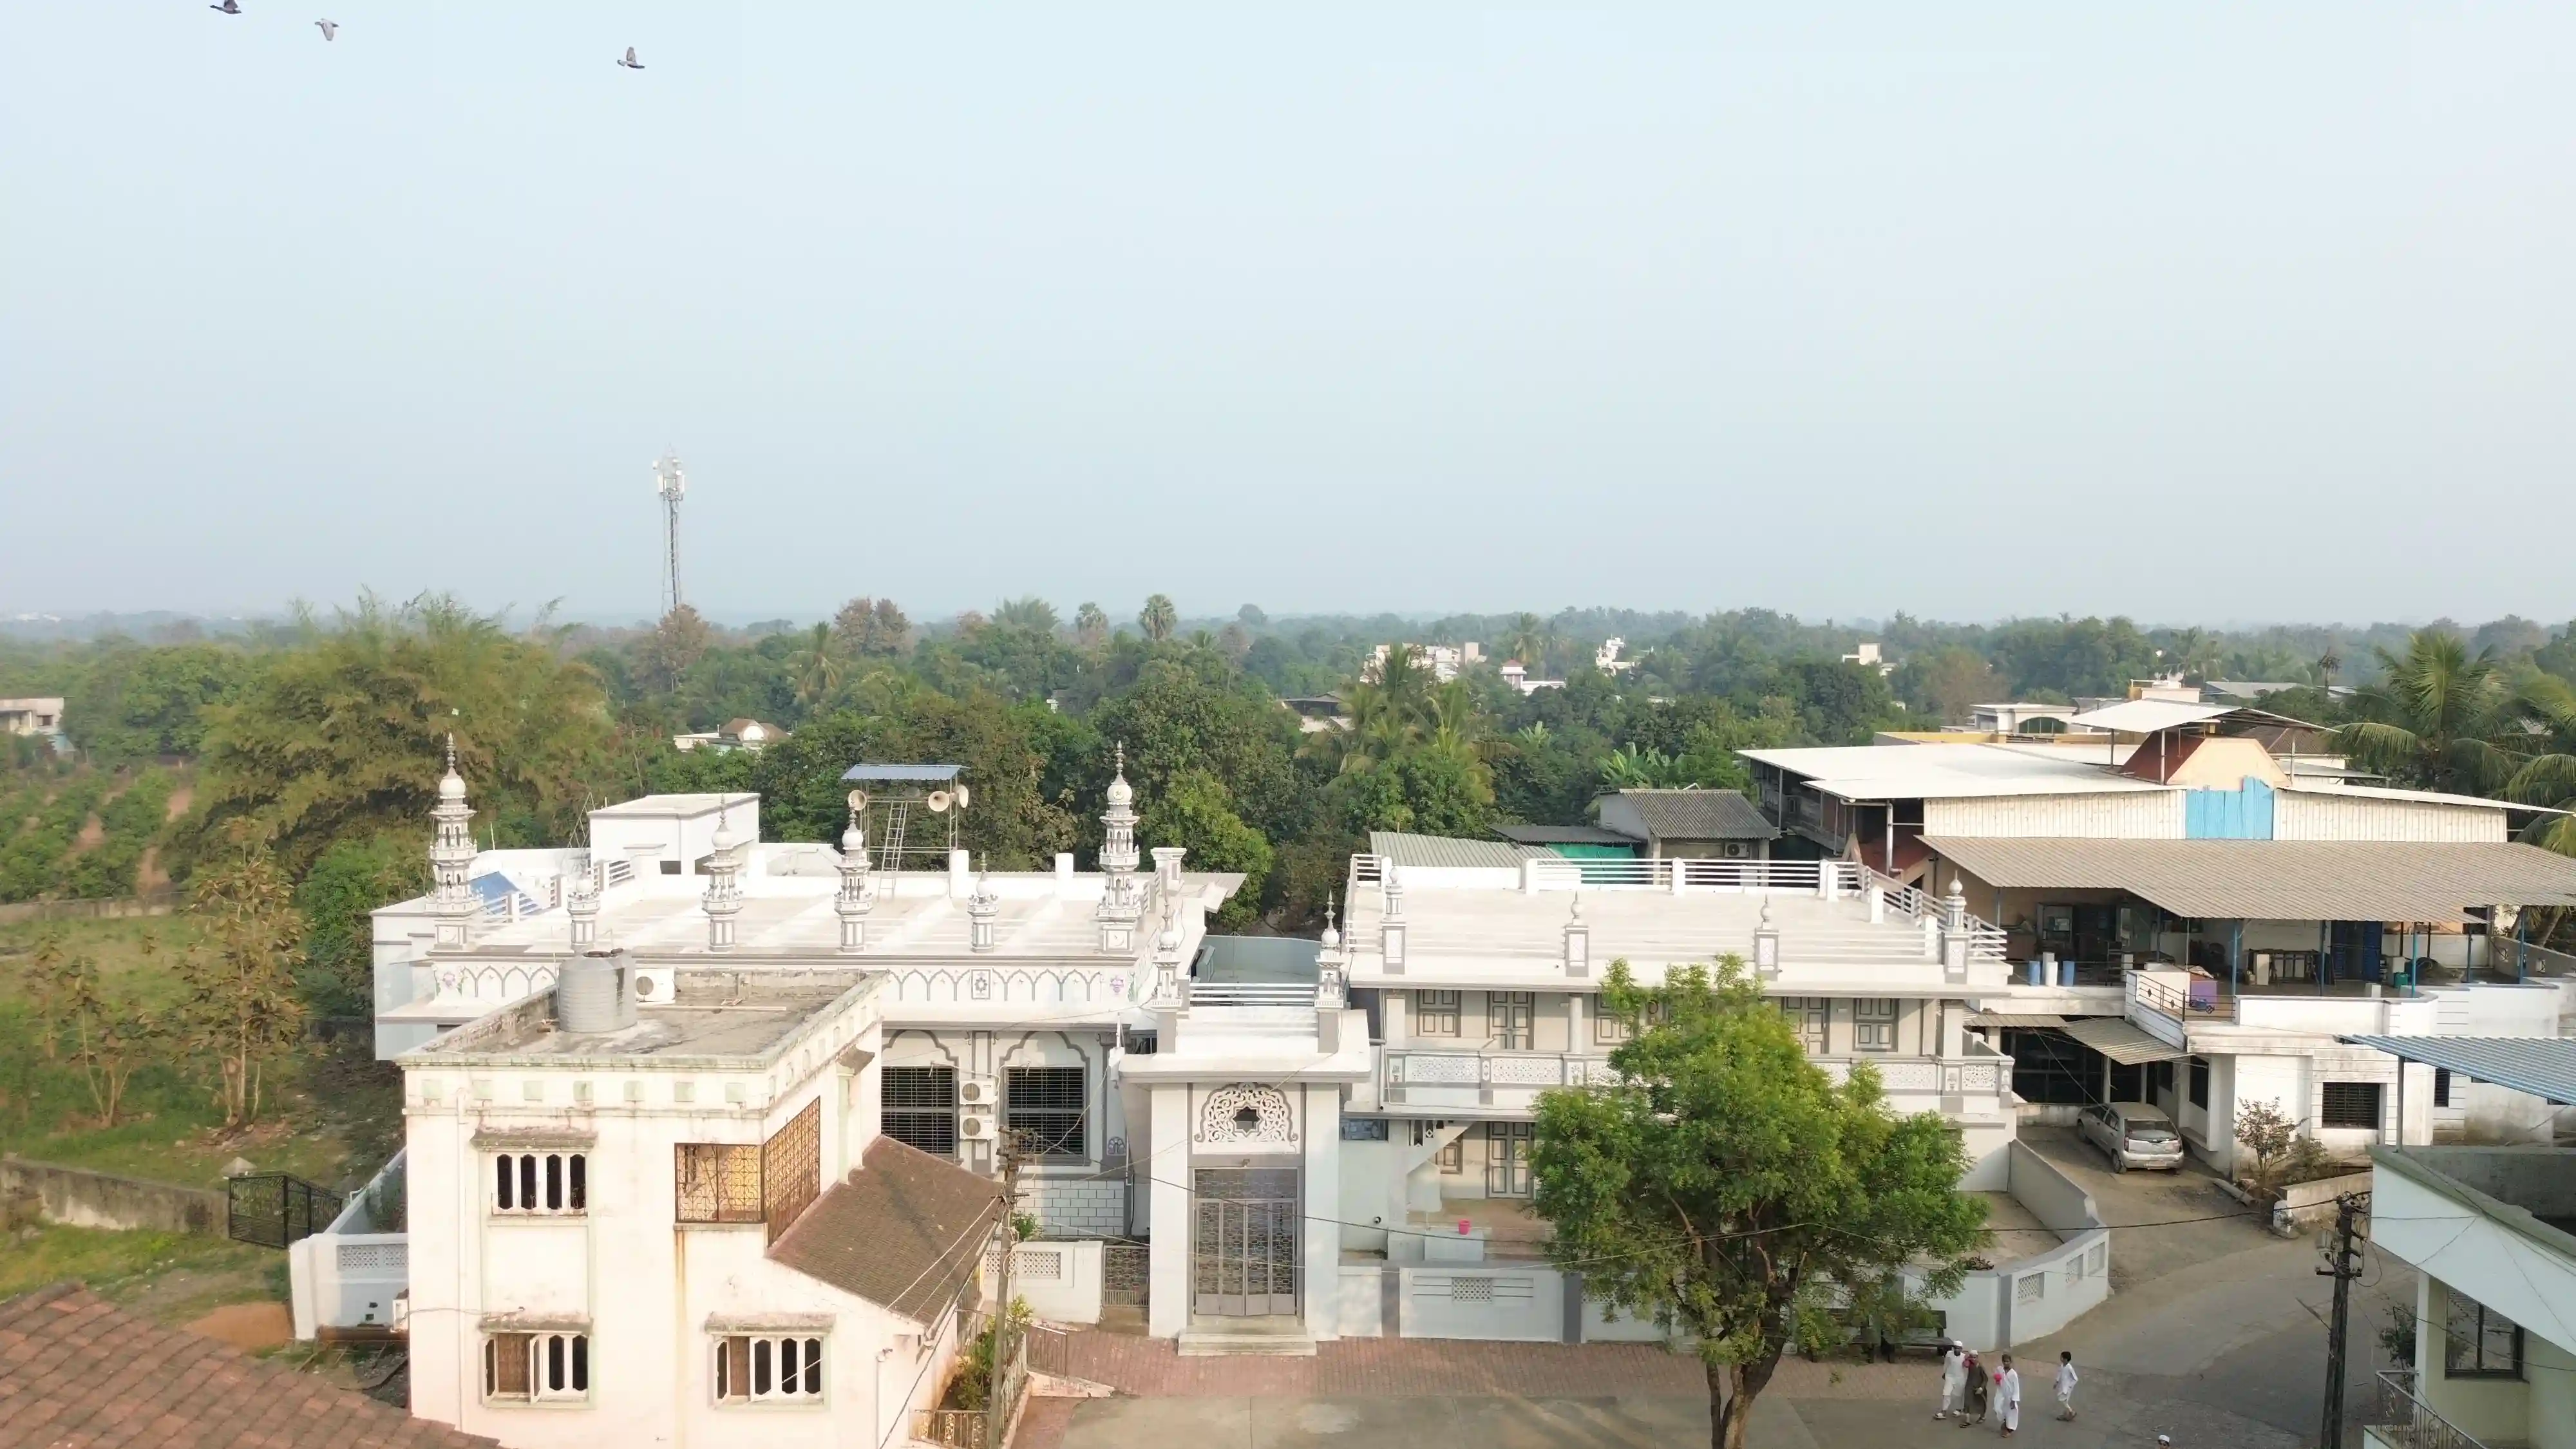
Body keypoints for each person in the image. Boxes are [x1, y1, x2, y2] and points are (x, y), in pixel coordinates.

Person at [1958, 1352, 1988, 1427]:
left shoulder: (1980, 1367)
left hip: (1979, 1387)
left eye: (1975, 1357)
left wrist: (1981, 1388)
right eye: (1972, 1357)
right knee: (1967, 1402)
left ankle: (1982, 1416)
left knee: (1980, 1403)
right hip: (1969, 1386)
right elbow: (1964, 1364)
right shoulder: (1970, 1365)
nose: (1973, 1359)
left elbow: (1985, 1379)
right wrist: (1967, 1358)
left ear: (1977, 1357)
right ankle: (1967, 1421)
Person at [1938, 1344, 1966, 1421]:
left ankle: (1959, 1409)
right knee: (1946, 1393)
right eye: (1955, 1348)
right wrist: (1944, 1373)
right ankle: (1943, 1412)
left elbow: (1968, 1365)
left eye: (1958, 1349)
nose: (1957, 1350)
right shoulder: (1949, 1354)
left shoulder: (1964, 1357)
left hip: (1959, 1378)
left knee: (1958, 1395)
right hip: (1949, 1376)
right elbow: (1946, 1364)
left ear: (1961, 1349)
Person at [1996, 1354, 2022, 1436]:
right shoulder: (2000, 1370)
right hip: (2002, 1393)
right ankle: (2005, 1422)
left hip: (2010, 1396)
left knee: (2011, 1412)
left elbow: (2016, 1387)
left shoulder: (2013, 1374)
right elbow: (1998, 1379)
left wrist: (2014, 1400)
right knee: (1999, 1408)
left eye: (2007, 1361)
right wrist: (1997, 1380)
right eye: (2004, 1361)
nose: (2006, 1363)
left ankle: (2009, 1429)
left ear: (2010, 1362)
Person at [2055, 1351, 2079, 1421]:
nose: (2061, 1359)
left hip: (2067, 1388)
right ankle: (2066, 1414)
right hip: (2062, 1386)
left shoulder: (2070, 1368)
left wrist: (2070, 1386)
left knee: (2062, 1399)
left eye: (2062, 1357)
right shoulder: (2062, 1366)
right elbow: (2059, 1373)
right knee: (2065, 1400)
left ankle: (2071, 1412)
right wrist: (2056, 1382)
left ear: (2065, 1359)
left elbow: (2076, 1379)